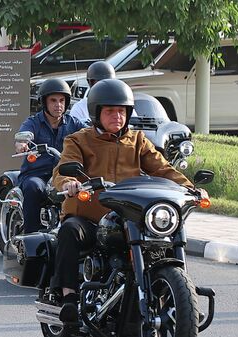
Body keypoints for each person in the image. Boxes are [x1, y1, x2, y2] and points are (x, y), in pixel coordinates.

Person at [50, 79, 209, 324]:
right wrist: (69, 183)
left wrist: (190, 188)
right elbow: (63, 170)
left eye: (121, 111)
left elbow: (162, 168)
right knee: (70, 231)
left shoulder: (138, 141)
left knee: (162, 241)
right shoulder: (78, 140)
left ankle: (180, 301)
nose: (117, 116)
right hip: (90, 216)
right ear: (96, 113)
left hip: (128, 216)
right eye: (110, 111)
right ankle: (68, 297)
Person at [15, 78, 86, 234]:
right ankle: (31, 235)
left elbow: (89, 134)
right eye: (53, 100)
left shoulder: (73, 123)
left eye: (62, 100)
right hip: (37, 174)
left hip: (63, 174)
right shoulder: (34, 122)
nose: (58, 105)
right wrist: (22, 143)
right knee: (34, 187)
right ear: (44, 102)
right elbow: (24, 134)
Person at [69, 61, 116, 125]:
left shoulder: (121, 103)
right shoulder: (79, 108)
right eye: (100, 82)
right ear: (91, 82)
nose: (104, 86)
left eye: (108, 82)